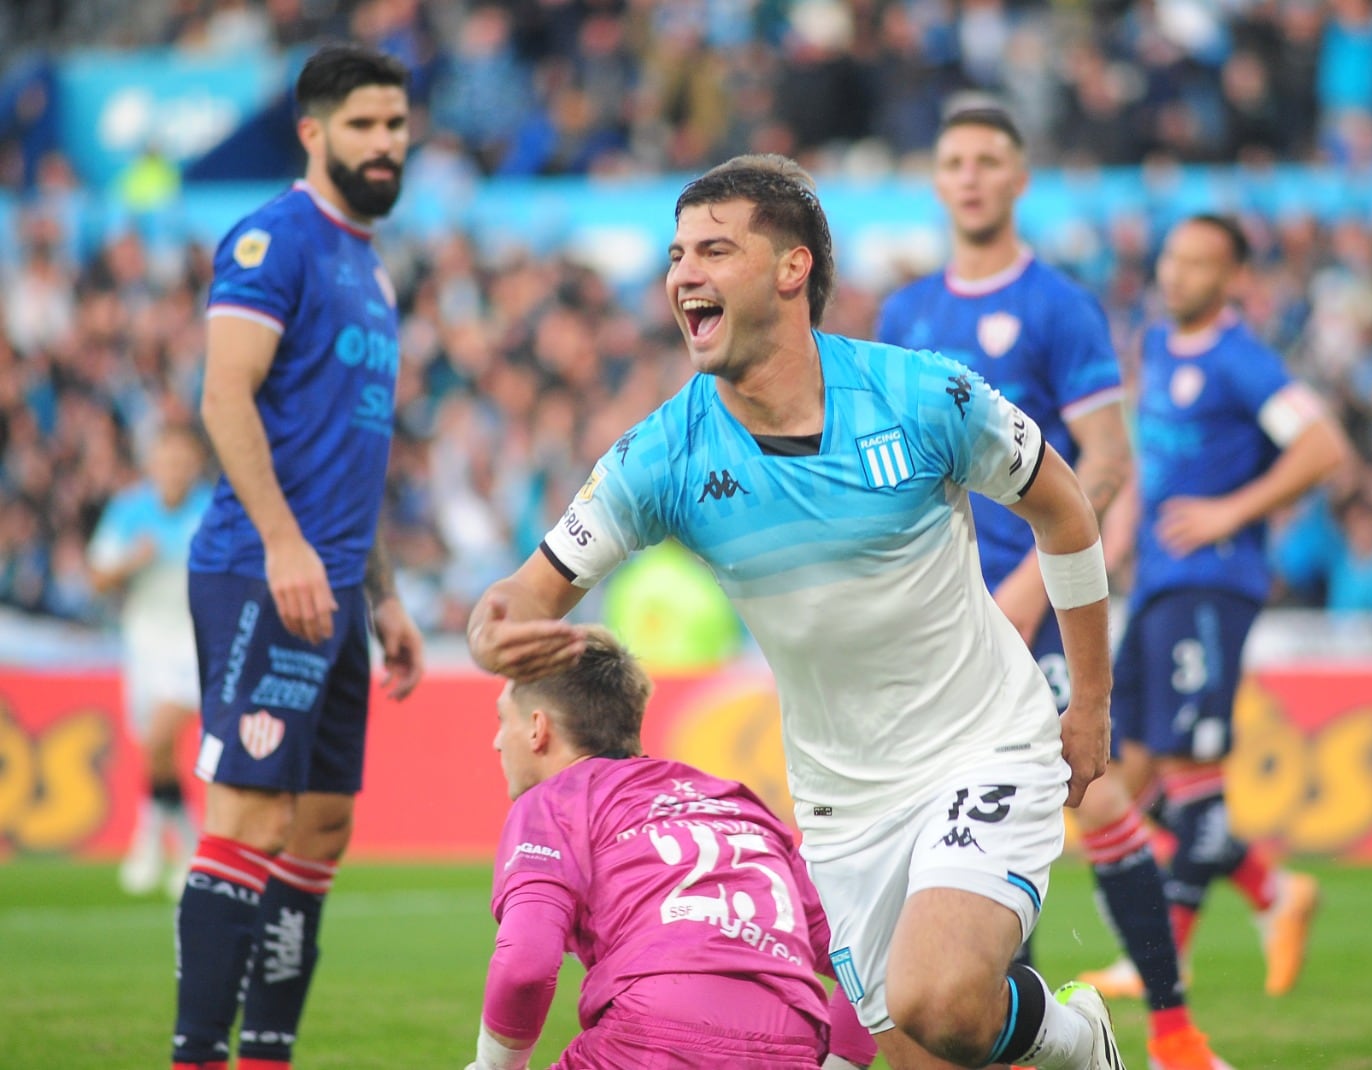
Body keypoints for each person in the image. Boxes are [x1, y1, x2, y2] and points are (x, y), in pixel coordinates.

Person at [469, 153, 1127, 1070]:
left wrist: (1089, 701)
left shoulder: (924, 396)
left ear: (791, 269)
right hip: (842, 803)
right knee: (937, 1047)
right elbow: (527, 590)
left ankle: (1079, 1040)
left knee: (939, 997)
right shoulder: (663, 456)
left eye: (714, 250)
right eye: (676, 255)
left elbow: (1065, 509)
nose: (684, 274)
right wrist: (493, 627)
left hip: (983, 744)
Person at [877, 106, 1230, 1070]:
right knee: (943, 818)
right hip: (936, 618)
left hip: (1033, 606)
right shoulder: (904, 315)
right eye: (954, 161)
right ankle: (1007, 1029)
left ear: (1019, 179)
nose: (970, 176)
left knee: (1098, 795)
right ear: (937, 180)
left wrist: (1035, 584)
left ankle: (1173, 1032)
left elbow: (1106, 460)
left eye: (988, 160)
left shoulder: (1058, 307)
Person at [172, 44, 425, 1070]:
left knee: (319, 828)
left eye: (395, 124)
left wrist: (385, 594)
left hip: (336, 585)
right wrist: (283, 544)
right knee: (250, 816)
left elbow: (353, 453)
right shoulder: (273, 239)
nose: (384, 142)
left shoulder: (372, 269)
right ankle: (197, 1054)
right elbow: (222, 396)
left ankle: (268, 1054)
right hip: (260, 570)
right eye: (363, 125)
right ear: (314, 132)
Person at [1084, 214, 1348, 1001]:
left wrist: (1233, 511)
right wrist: (1121, 529)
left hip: (1212, 583)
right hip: (1158, 582)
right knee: (1124, 773)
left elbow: (1323, 446)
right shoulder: (1160, 345)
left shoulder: (1242, 361)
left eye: (1199, 264)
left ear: (1234, 279)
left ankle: (1159, 959)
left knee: (1191, 771)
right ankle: (1272, 890)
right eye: (1172, 258)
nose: (1176, 274)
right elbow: (1151, 455)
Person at [463, 625, 877, 1070]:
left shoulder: (557, 799)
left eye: (502, 720)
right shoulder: (739, 804)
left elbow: (525, 964)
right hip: (791, 1048)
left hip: (649, 1039)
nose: (496, 741)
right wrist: (842, 1064)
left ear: (537, 729)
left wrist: (492, 1066)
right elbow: (866, 951)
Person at [87, 423, 212, 899]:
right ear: (152, 463)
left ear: (195, 464)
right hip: (143, 644)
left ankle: (147, 836)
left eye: (183, 461)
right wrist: (131, 561)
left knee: (160, 737)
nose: (174, 469)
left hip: (194, 643)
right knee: (155, 749)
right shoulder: (129, 510)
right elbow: (97, 578)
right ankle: (187, 842)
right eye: (166, 460)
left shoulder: (212, 510)